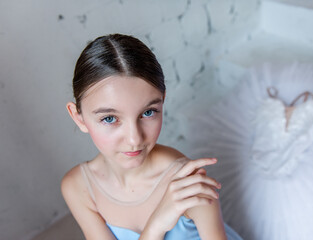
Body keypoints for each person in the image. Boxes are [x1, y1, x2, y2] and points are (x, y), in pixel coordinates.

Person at [61, 34, 242, 240]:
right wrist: (157, 225)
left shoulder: (189, 185)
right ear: (79, 118)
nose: (134, 139)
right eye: (110, 118)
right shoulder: (78, 186)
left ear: (162, 102)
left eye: (148, 113)